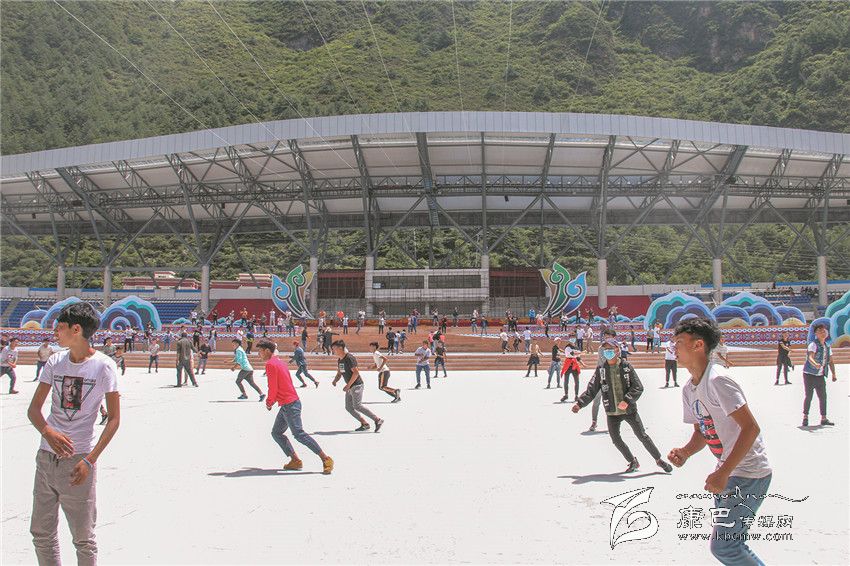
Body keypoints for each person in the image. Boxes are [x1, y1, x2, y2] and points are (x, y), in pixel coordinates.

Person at [667, 318, 772, 566]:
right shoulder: (689, 389)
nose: (673, 348)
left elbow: (751, 428)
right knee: (732, 544)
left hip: (748, 473)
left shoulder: (717, 381)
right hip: (727, 472)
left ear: (698, 345)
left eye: (679, 342)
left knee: (726, 547)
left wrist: (723, 473)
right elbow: (702, 431)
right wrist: (686, 452)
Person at [27, 301, 120, 566]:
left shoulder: (103, 366)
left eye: (60, 327)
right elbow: (34, 410)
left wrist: (90, 460)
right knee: (41, 534)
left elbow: (114, 419)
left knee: (83, 539)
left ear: (76, 329)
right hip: (46, 460)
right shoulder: (55, 361)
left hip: (78, 462)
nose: (55, 332)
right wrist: (48, 432)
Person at [572, 338, 672, 474]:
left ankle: (658, 459)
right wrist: (580, 403)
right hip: (612, 412)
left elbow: (638, 387)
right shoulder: (601, 370)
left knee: (642, 435)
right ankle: (632, 461)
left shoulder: (626, 367)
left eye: (610, 349)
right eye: (605, 349)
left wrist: (627, 400)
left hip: (629, 411)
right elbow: (592, 389)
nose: (607, 352)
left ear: (617, 350)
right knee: (616, 439)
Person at [257, 339, 333, 474]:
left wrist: (269, 402)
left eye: (260, 351)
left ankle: (326, 459)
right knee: (276, 433)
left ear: (267, 351)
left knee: (299, 434)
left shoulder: (270, 364)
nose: (259, 354)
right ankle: (295, 460)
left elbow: (273, 387)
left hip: (290, 404)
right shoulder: (280, 362)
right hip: (288, 403)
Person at [331, 340, 383, 432]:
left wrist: (348, 385)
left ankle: (377, 420)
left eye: (334, 349)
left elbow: (356, 373)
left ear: (340, 348)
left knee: (357, 405)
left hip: (356, 385)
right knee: (349, 407)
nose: (333, 351)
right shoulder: (340, 360)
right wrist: (335, 380)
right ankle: (364, 423)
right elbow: (339, 373)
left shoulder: (349, 358)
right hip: (350, 386)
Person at [801, 323, 837, 427]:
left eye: (824, 331)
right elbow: (810, 357)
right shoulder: (813, 345)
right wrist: (815, 364)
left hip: (820, 375)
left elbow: (831, 361)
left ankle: (824, 418)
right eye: (820, 331)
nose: (823, 333)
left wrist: (833, 374)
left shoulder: (827, 346)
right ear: (816, 334)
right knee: (809, 396)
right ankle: (805, 417)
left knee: (823, 397)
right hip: (809, 375)